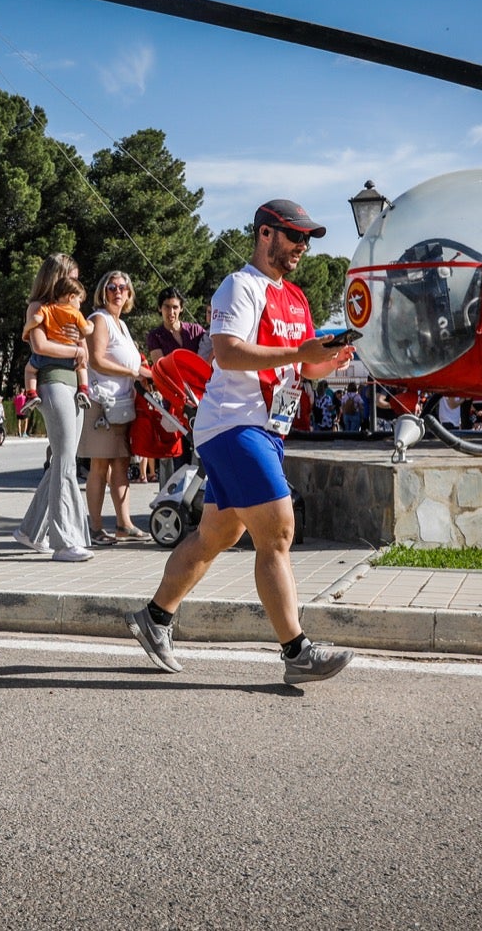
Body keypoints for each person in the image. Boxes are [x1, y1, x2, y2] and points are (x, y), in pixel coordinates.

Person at [126, 199, 357, 685]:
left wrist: (327, 361)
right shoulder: (240, 285)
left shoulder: (295, 296)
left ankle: (155, 617)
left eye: (308, 239)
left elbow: (304, 364)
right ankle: (296, 650)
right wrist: (300, 350)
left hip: (267, 429)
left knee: (218, 535)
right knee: (276, 532)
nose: (303, 246)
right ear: (265, 234)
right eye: (295, 236)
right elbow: (228, 354)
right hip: (233, 425)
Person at [12, 254, 95, 562]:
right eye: (70, 277)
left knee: (65, 460)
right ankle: (65, 541)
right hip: (53, 381)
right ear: (55, 278)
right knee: (63, 460)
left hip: (75, 383)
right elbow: (39, 346)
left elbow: (84, 350)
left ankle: (30, 531)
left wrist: (80, 349)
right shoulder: (38, 308)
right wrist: (76, 349)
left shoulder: (72, 310)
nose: (74, 284)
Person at [81, 270, 151, 547]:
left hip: (122, 405)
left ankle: (124, 524)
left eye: (123, 287)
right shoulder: (99, 320)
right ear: (103, 291)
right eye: (112, 287)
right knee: (100, 466)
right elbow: (96, 360)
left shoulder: (121, 324)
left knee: (122, 463)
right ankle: (95, 527)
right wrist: (133, 372)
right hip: (102, 404)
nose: (118, 291)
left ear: (129, 294)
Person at [146, 286, 207, 482]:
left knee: (200, 450)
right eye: (166, 307)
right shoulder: (155, 336)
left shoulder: (196, 331)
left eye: (174, 307)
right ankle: (172, 493)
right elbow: (160, 366)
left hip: (198, 400)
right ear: (159, 309)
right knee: (175, 452)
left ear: (181, 309)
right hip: (172, 400)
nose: (170, 312)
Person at [20, 276, 94, 406]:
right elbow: (86, 330)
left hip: (47, 357)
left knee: (29, 370)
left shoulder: (47, 309)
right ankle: (84, 390)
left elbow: (36, 320)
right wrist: (91, 325)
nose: (79, 304)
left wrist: (26, 329)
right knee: (82, 367)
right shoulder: (76, 314)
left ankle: (31, 394)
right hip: (71, 357)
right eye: (79, 301)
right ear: (71, 297)